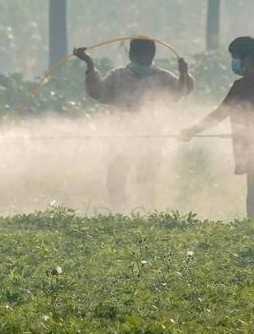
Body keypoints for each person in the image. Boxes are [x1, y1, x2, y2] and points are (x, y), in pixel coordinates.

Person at [180, 36, 254, 218]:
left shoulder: (246, 84)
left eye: (235, 57)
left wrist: (192, 131)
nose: (233, 63)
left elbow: (220, 113)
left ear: (247, 59)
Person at [73, 38, 194, 210]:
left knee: (147, 179)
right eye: (141, 56)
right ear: (131, 56)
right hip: (121, 135)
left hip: (151, 135)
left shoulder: (162, 77)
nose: (145, 60)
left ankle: (145, 213)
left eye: (149, 56)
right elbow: (99, 92)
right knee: (116, 177)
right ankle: (120, 212)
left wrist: (184, 73)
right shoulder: (118, 75)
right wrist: (90, 65)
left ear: (153, 56)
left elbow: (182, 91)